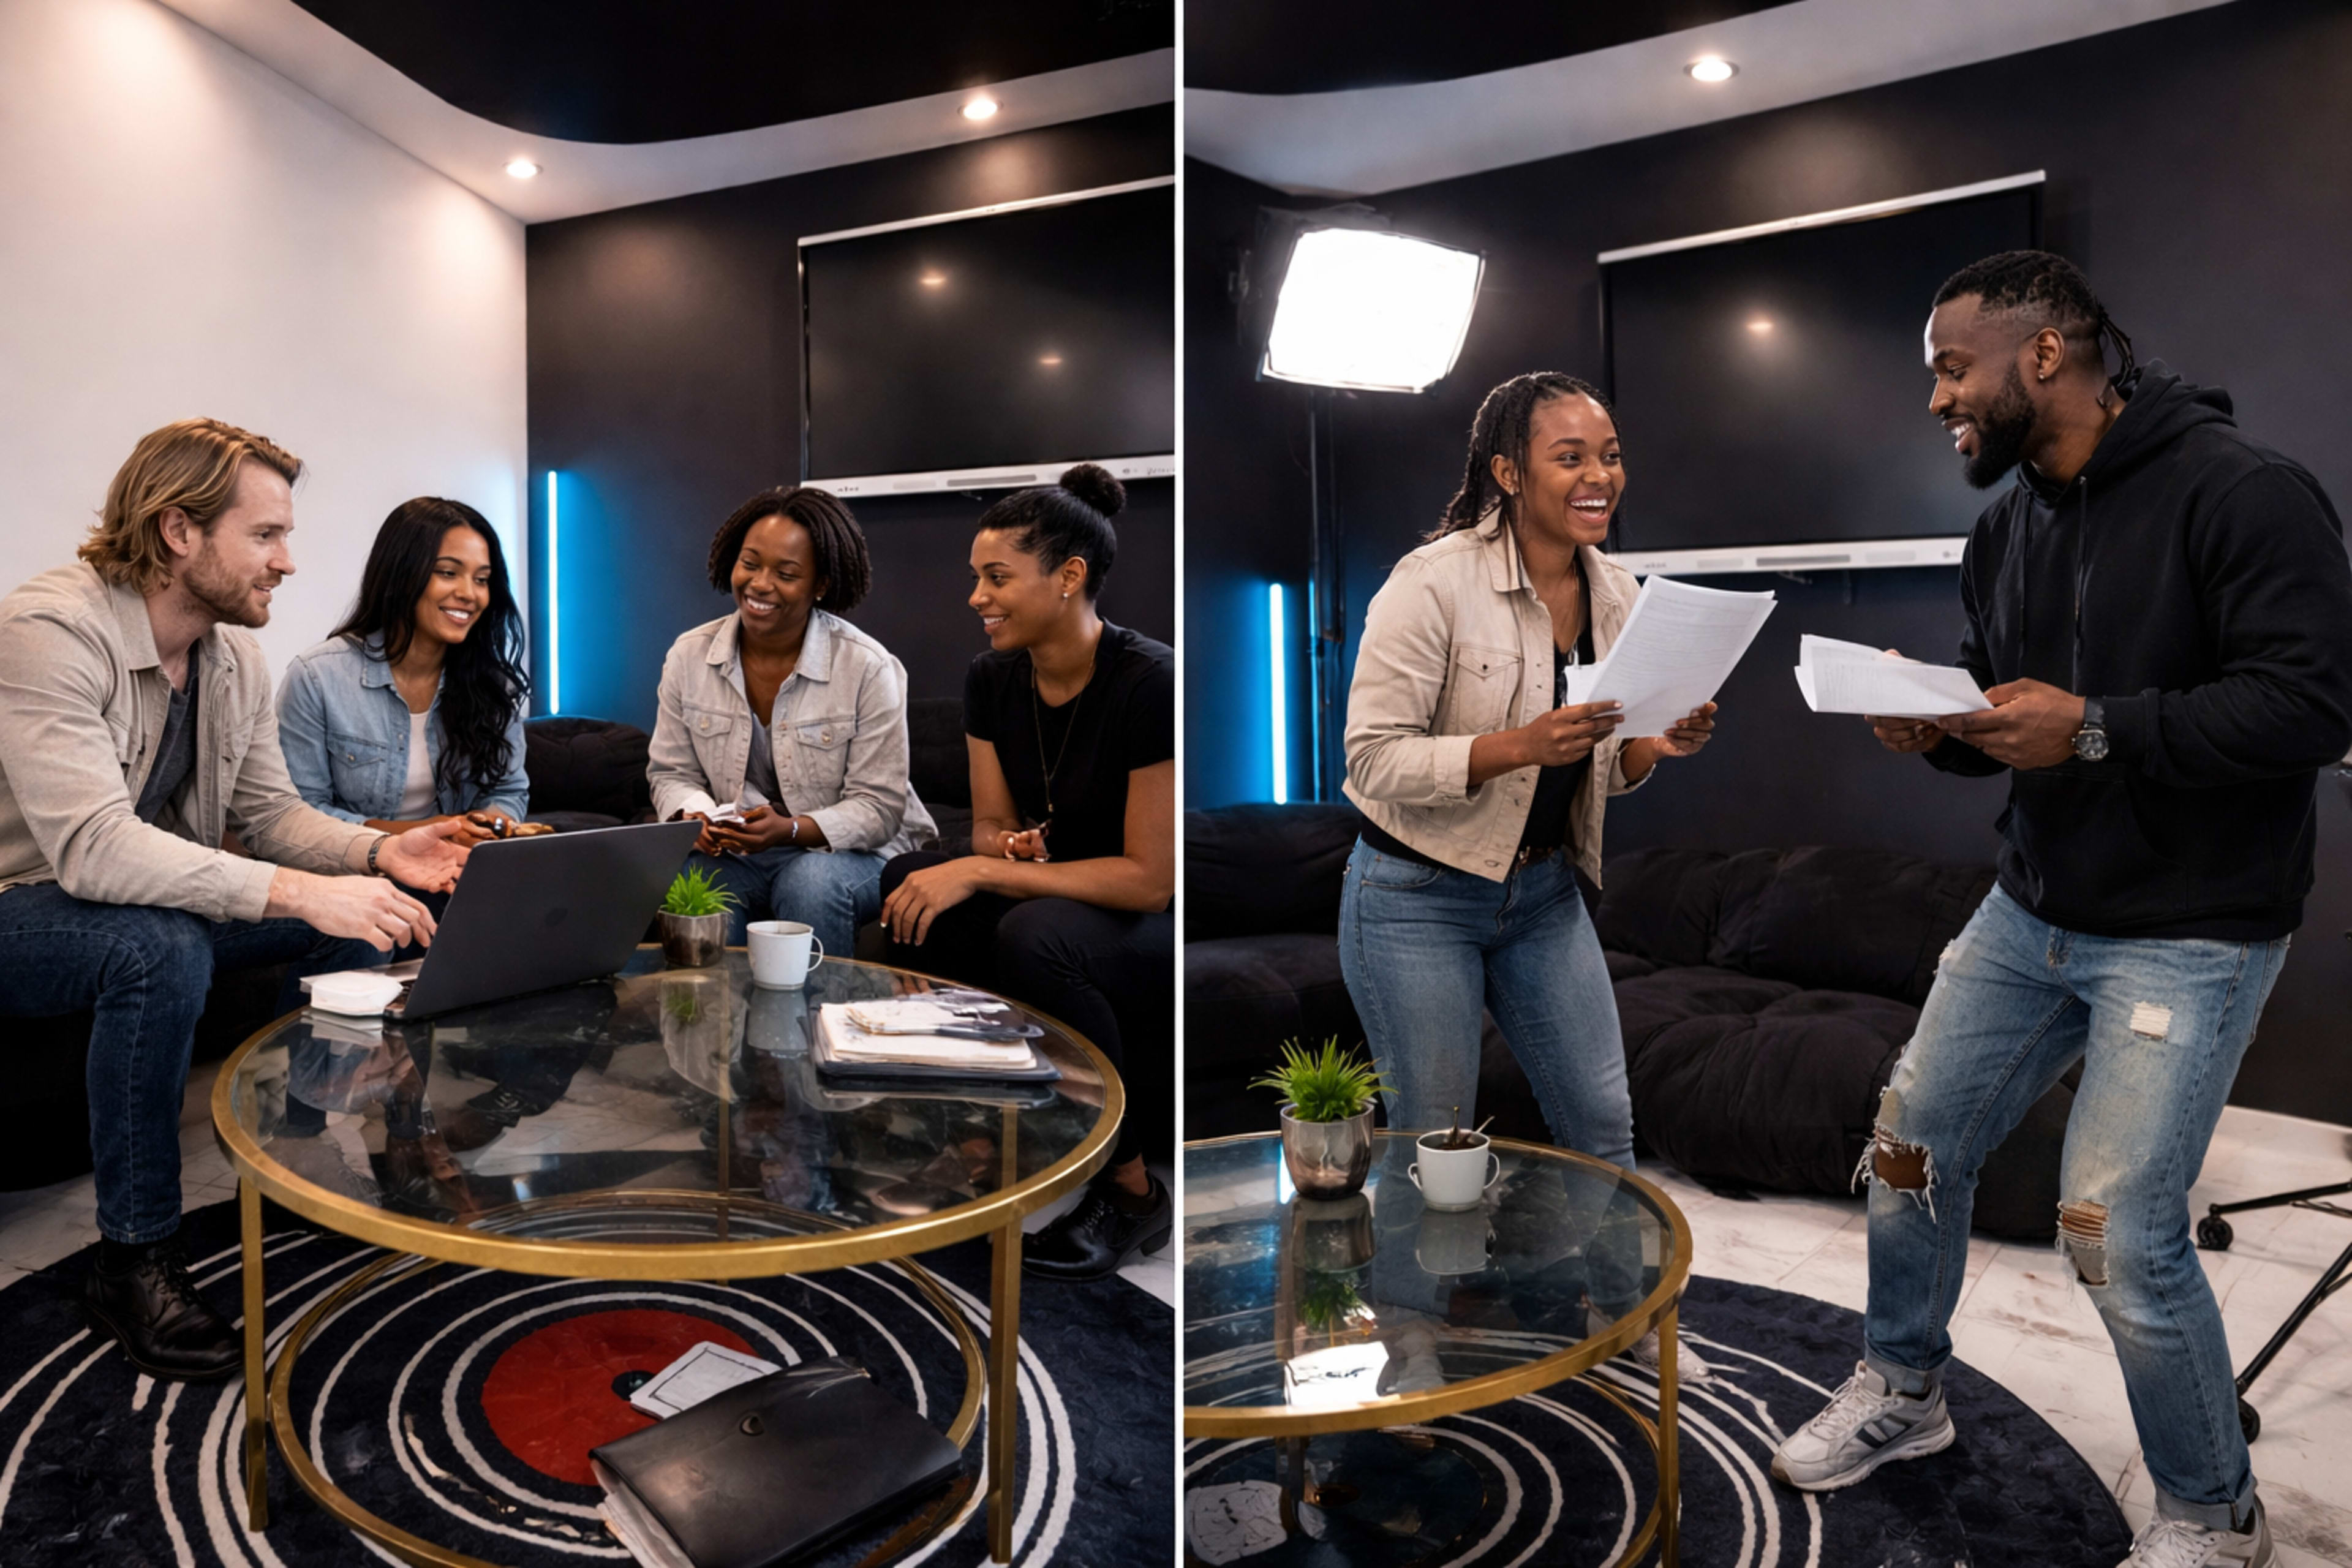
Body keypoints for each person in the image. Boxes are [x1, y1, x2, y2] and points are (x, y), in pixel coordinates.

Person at [1769, 252, 2352, 1568]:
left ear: (2044, 355)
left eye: (1951, 366)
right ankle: (1905, 1395)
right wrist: (1950, 734)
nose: (1936, 399)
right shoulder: (2006, 525)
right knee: (1910, 1148)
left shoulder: (2247, 494)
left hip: (2194, 931)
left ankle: (2215, 1507)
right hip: (2028, 911)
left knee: (2110, 1224)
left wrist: (2092, 728)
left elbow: (2313, 706)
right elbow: (2010, 712)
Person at [0, 418, 473, 1381]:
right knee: (161, 949)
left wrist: (380, 855)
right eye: (267, 536)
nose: (289, 562)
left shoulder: (230, 656)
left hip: (131, 896)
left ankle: (302, 1165)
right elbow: (93, 850)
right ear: (180, 532)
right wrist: (305, 888)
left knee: (354, 916)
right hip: (21, 901)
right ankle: (133, 1259)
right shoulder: (50, 632)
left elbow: (268, 816)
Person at [879, 463, 1174, 1283]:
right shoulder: (990, 679)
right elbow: (992, 828)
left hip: (1136, 914)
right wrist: (988, 857)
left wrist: (982, 869)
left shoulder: (1151, 682)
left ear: (1069, 576)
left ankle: (1132, 1187)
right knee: (909, 883)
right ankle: (979, 1146)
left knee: (1033, 934)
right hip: (1053, 893)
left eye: (997, 577)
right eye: (977, 577)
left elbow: (1151, 880)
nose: (977, 596)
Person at [647, 485, 935, 959]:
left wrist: (794, 829)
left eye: (786, 573)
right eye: (750, 563)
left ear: (820, 585)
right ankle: (715, 1029)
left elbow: (879, 807)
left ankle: (815, 1029)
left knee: (810, 884)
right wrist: (690, 816)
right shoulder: (689, 656)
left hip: (849, 855)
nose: (760, 584)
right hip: (740, 854)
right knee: (687, 881)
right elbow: (671, 773)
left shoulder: (867, 667)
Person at [277, 496, 533, 845]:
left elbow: (509, 789)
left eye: (482, 579)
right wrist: (427, 834)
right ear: (401, 574)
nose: (469, 594)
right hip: (351, 881)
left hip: (460, 874)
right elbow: (300, 814)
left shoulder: (492, 684)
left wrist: (484, 828)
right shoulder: (317, 678)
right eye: (448, 573)